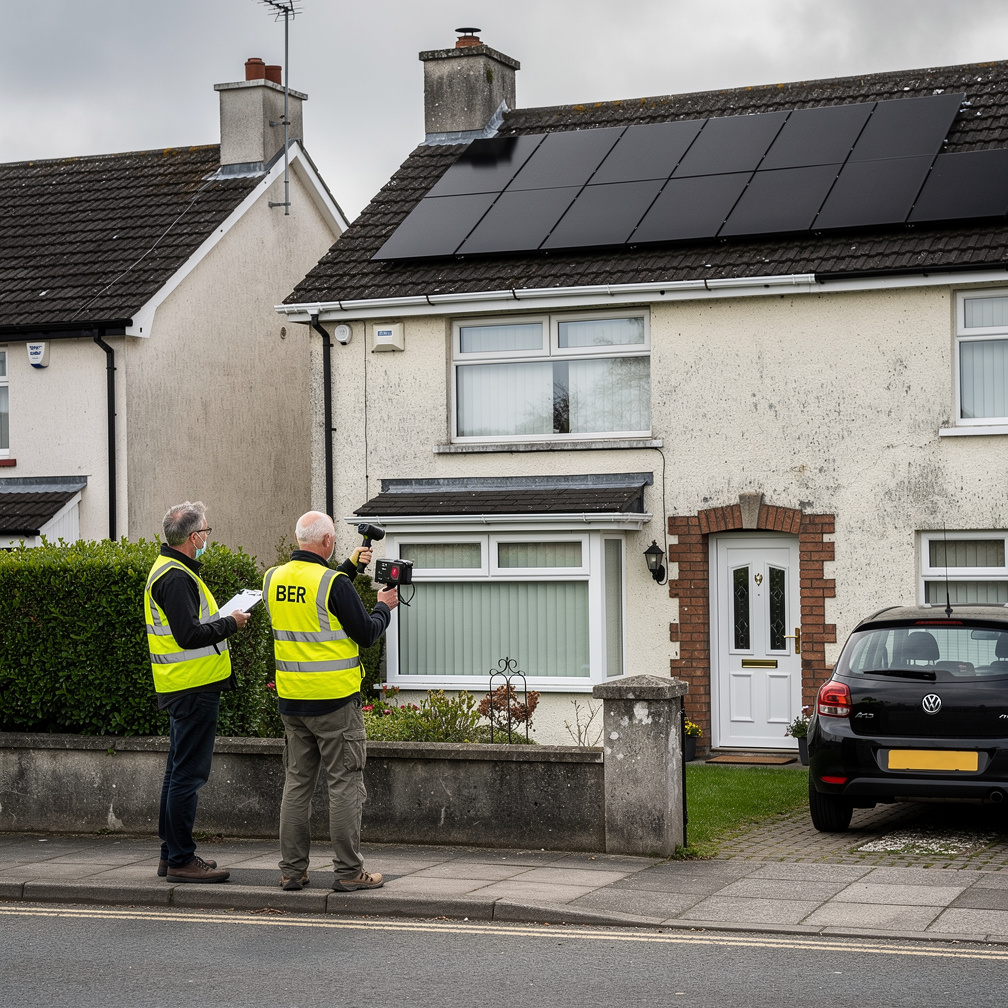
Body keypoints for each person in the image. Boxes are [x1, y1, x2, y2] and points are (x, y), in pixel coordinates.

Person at [263, 510, 398, 892]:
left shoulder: (273, 578)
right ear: (326, 542)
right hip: (335, 703)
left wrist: (348, 568)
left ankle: (292, 871)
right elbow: (366, 633)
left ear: (297, 537)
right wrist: (383, 607)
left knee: (297, 785)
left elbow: (313, 599)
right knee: (344, 785)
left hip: (292, 701)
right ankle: (348, 872)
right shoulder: (333, 583)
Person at [144, 501, 250, 883]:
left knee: (176, 774)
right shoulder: (175, 578)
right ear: (194, 538)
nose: (208, 537)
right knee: (187, 776)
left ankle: (169, 854)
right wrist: (230, 623)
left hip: (183, 687)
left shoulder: (171, 571)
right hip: (192, 688)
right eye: (206, 531)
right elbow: (188, 635)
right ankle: (181, 860)